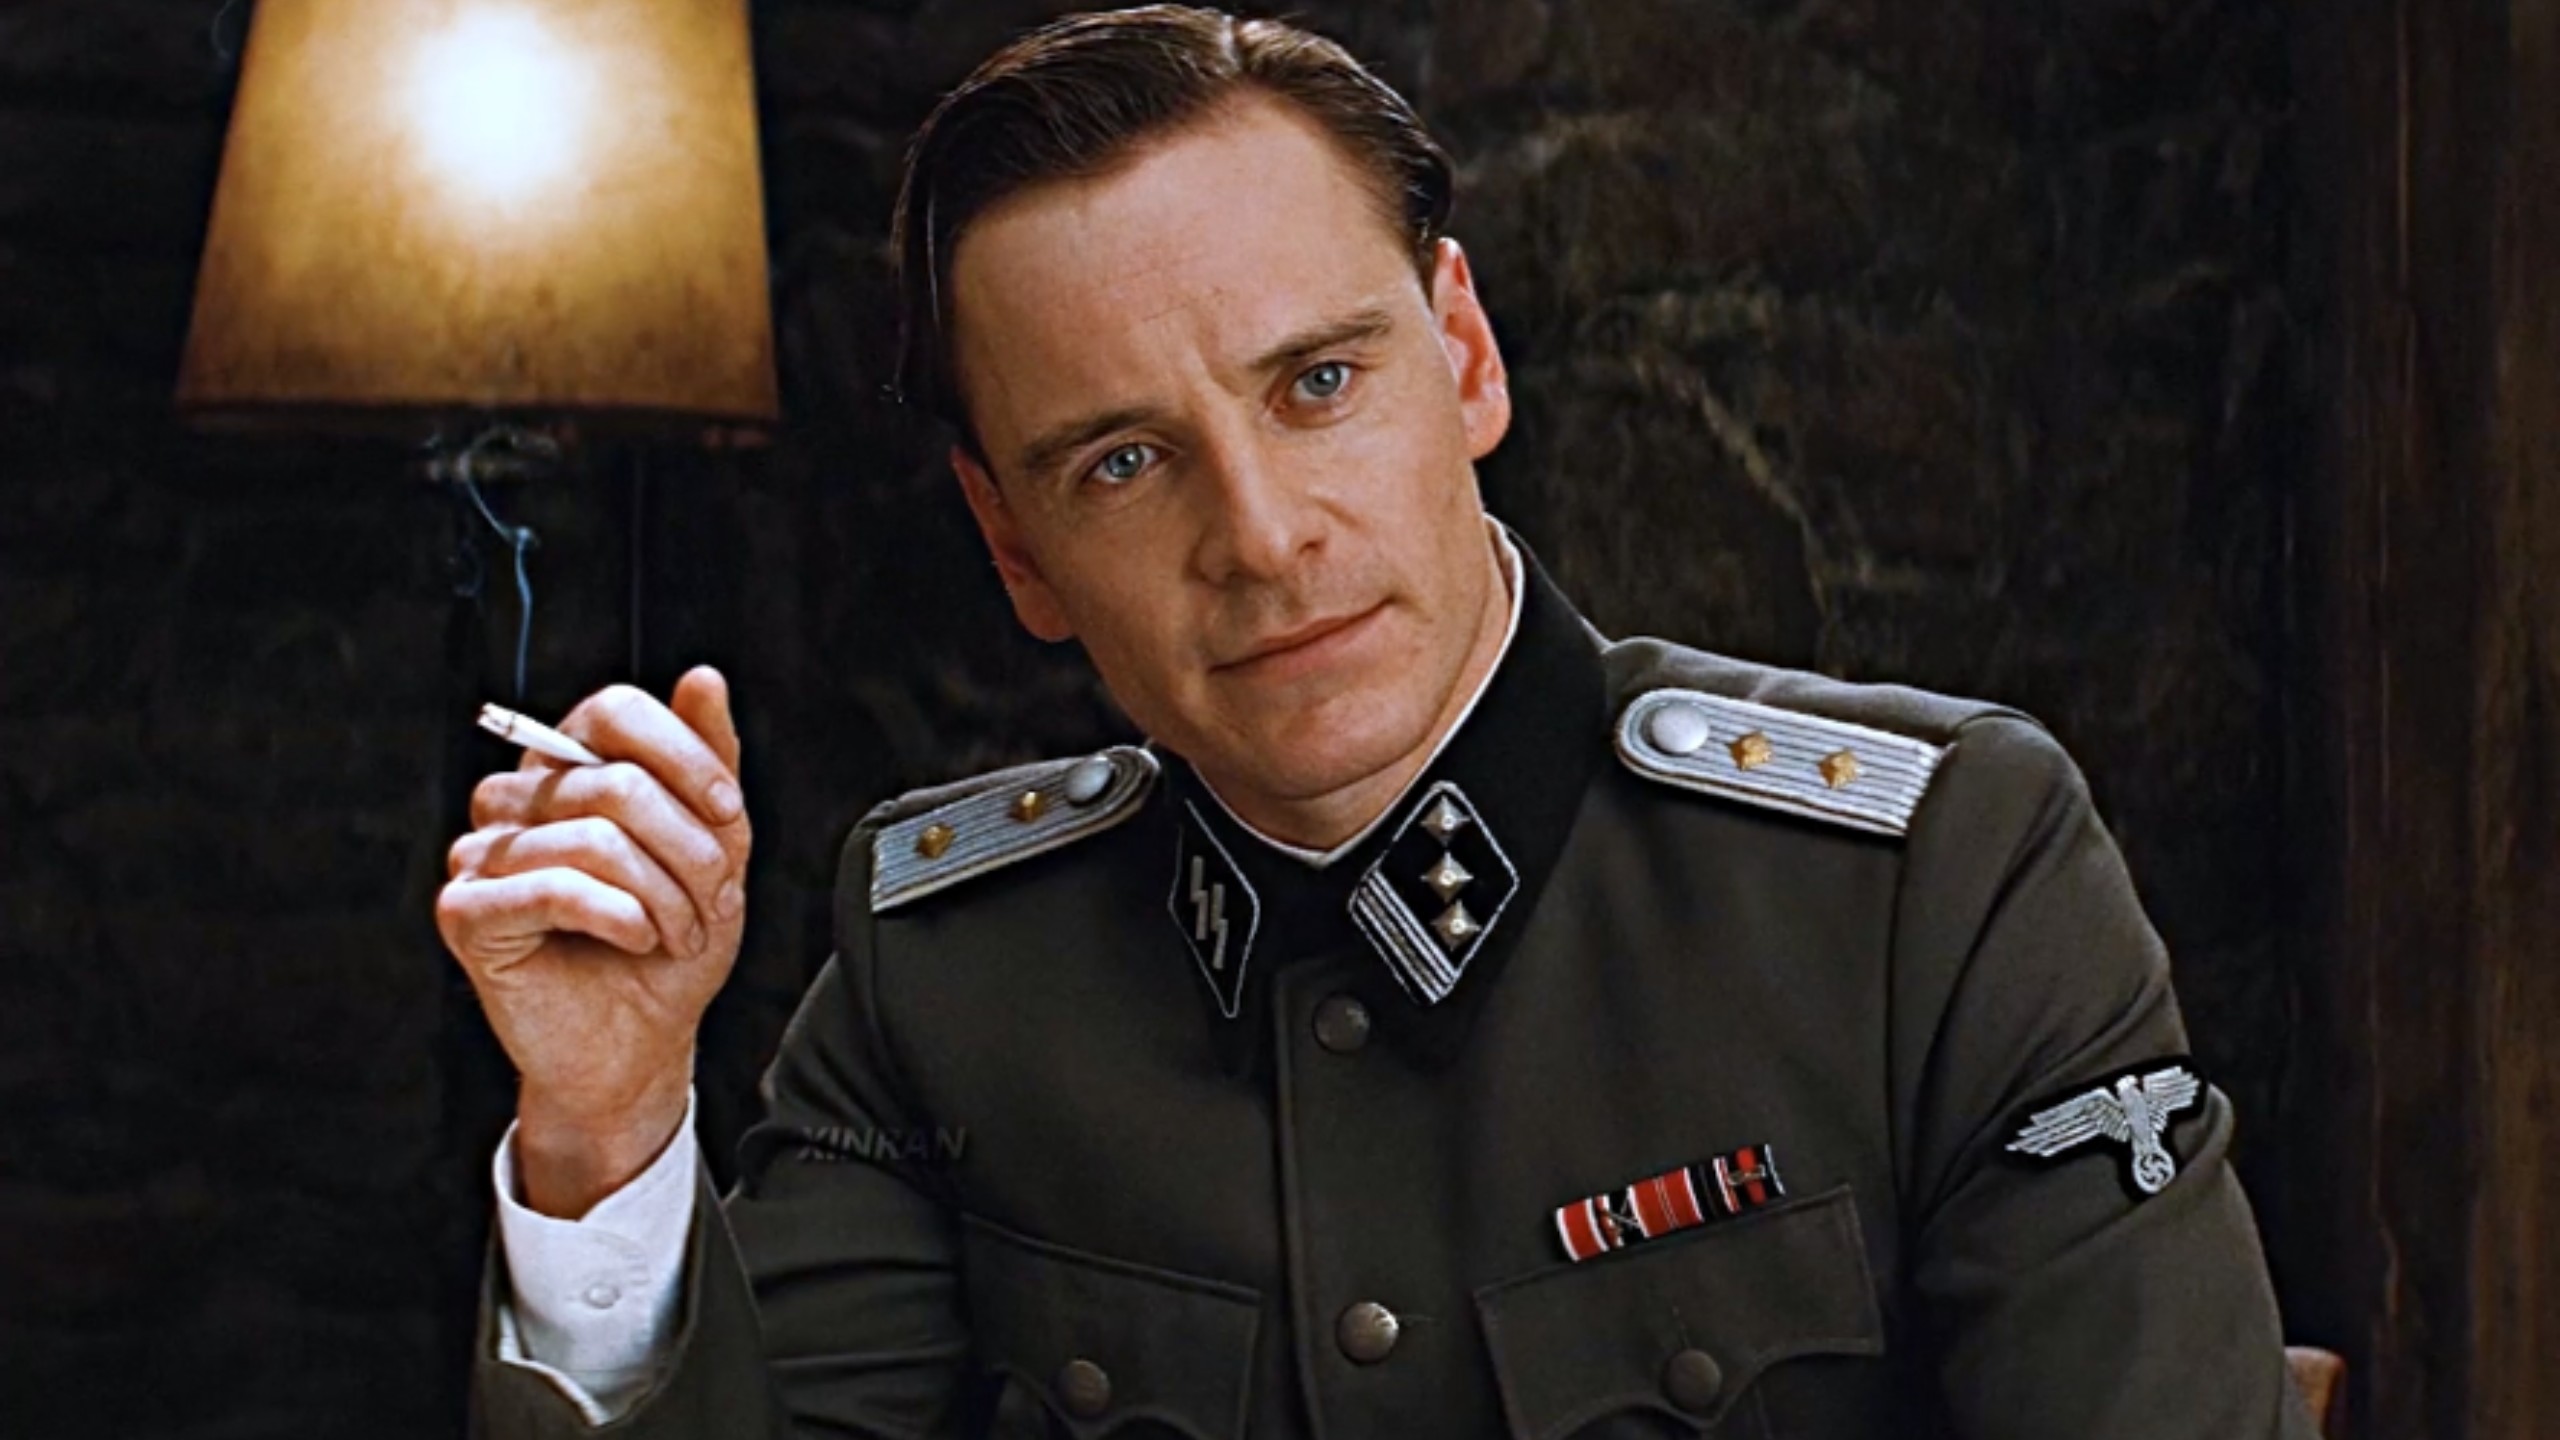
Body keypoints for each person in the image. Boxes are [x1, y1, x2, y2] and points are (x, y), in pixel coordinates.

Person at [437, 7, 2320, 1437]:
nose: (1262, 539)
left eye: (1319, 384)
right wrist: (606, 1127)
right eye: (1122, 462)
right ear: (1015, 549)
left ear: (1464, 356)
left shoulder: (1936, 879)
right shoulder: (945, 970)